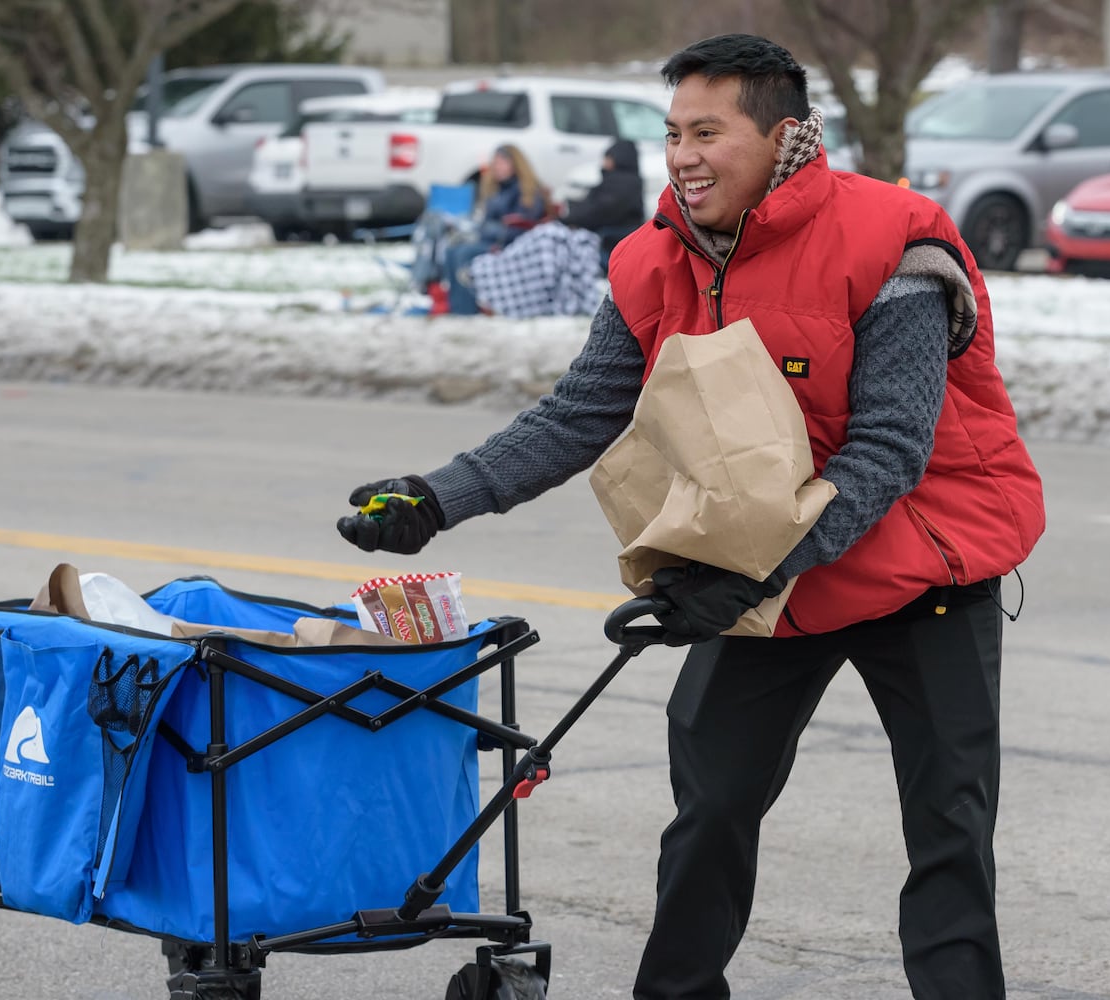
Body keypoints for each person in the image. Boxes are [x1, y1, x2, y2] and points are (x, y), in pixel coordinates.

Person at [335, 33, 1044, 999]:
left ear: (785, 136)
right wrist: (436, 496)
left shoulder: (895, 241)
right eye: (673, 133)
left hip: (920, 562)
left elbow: (890, 450)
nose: (683, 156)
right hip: (759, 573)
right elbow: (579, 414)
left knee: (949, 825)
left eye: (709, 131)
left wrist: (752, 570)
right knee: (711, 805)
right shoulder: (652, 260)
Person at [409, 143, 551, 299]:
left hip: (514, 244)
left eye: (502, 162)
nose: (497, 167)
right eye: (495, 163)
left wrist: (486, 229)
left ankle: (465, 307)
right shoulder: (496, 190)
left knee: (464, 253)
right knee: (451, 249)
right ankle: (451, 302)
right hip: (492, 239)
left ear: (516, 164)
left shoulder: (527, 191)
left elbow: (520, 227)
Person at [559, 137, 646, 271]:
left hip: (609, 241)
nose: (604, 162)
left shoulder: (622, 184)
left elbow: (599, 212)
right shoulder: (623, 181)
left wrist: (567, 217)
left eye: (607, 157)